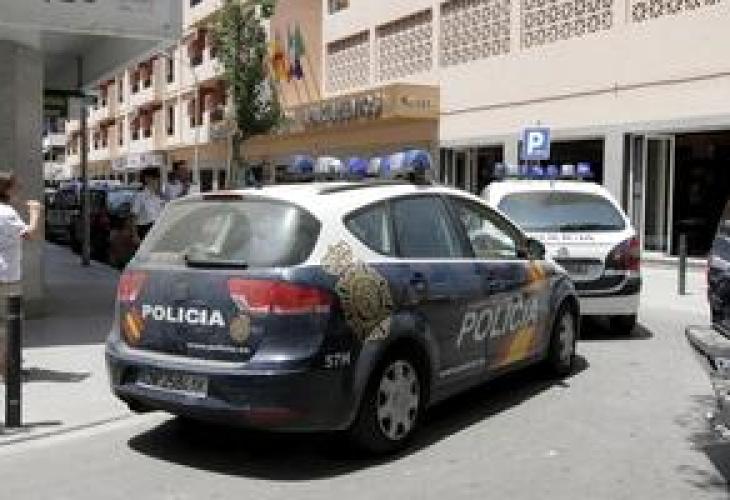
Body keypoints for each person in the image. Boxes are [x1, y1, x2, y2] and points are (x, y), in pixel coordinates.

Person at [0, 172, 42, 377]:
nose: (20, 190)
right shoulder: (7, 213)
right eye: (16, 186)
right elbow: (31, 234)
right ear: (6, 190)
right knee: (8, 323)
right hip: (6, 275)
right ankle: (6, 370)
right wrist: (35, 213)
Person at [131, 167, 164, 240]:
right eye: (155, 179)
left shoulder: (158, 197)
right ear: (147, 179)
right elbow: (133, 217)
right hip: (145, 230)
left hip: (157, 229)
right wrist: (135, 235)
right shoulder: (140, 196)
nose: (158, 181)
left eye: (158, 179)